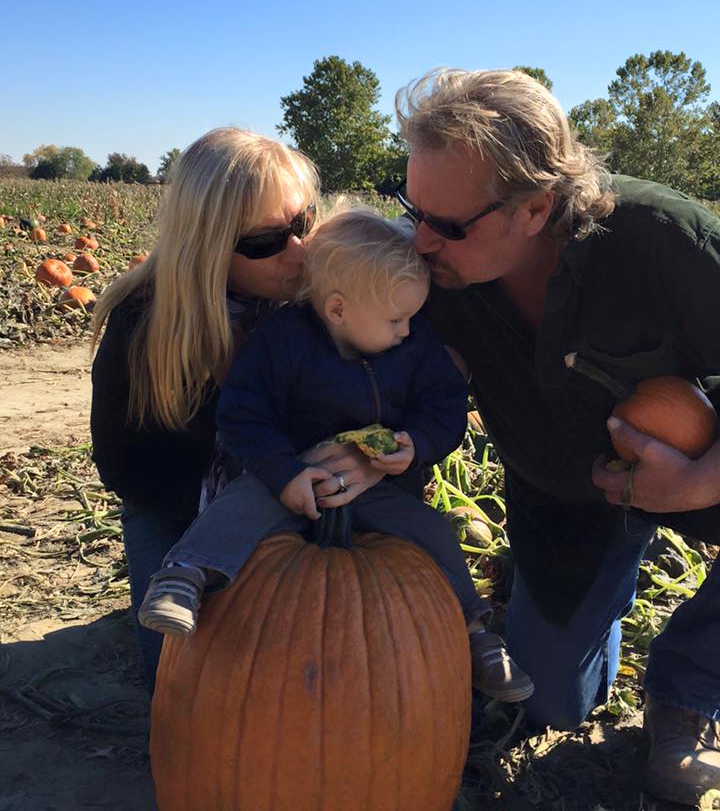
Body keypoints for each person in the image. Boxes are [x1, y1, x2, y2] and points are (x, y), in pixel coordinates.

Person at [395, 66, 720, 806]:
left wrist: (698, 482)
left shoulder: (661, 239)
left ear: (535, 209)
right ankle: (556, 598)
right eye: (412, 208)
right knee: (548, 703)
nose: (421, 240)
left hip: (694, 464)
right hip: (561, 494)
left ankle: (690, 689)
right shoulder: (430, 270)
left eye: (447, 225)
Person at [137, 208, 534, 703]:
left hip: (374, 488)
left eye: (411, 318)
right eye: (396, 319)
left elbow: (444, 403)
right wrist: (283, 473)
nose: (407, 330)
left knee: (429, 530)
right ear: (339, 310)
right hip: (289, 478)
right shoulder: (282, 342)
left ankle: (475, 634)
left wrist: (417, 443)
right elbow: (242, 415)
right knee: (238, 505)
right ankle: (185, 574)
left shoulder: (416, 346)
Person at [90, 128, 379, 694]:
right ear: (206, 245)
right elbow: (128, 469)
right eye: (266, 241)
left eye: (303, 223)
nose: (298, 250)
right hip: (176, 507)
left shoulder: (318, 296)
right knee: (189, 684)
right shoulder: (144, 326)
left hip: (294, 491)